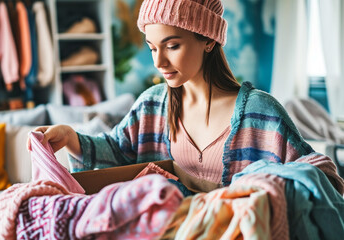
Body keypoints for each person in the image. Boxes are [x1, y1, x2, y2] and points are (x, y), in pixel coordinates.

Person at [28, 0, 344, 193]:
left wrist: (265, 185)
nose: (159, 62)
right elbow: (117, 150)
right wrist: (71, 137)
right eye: (152, 47)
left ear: (208, 40)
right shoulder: (151, 104)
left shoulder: (261, 112)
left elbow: (324, 179)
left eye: (172, 45)